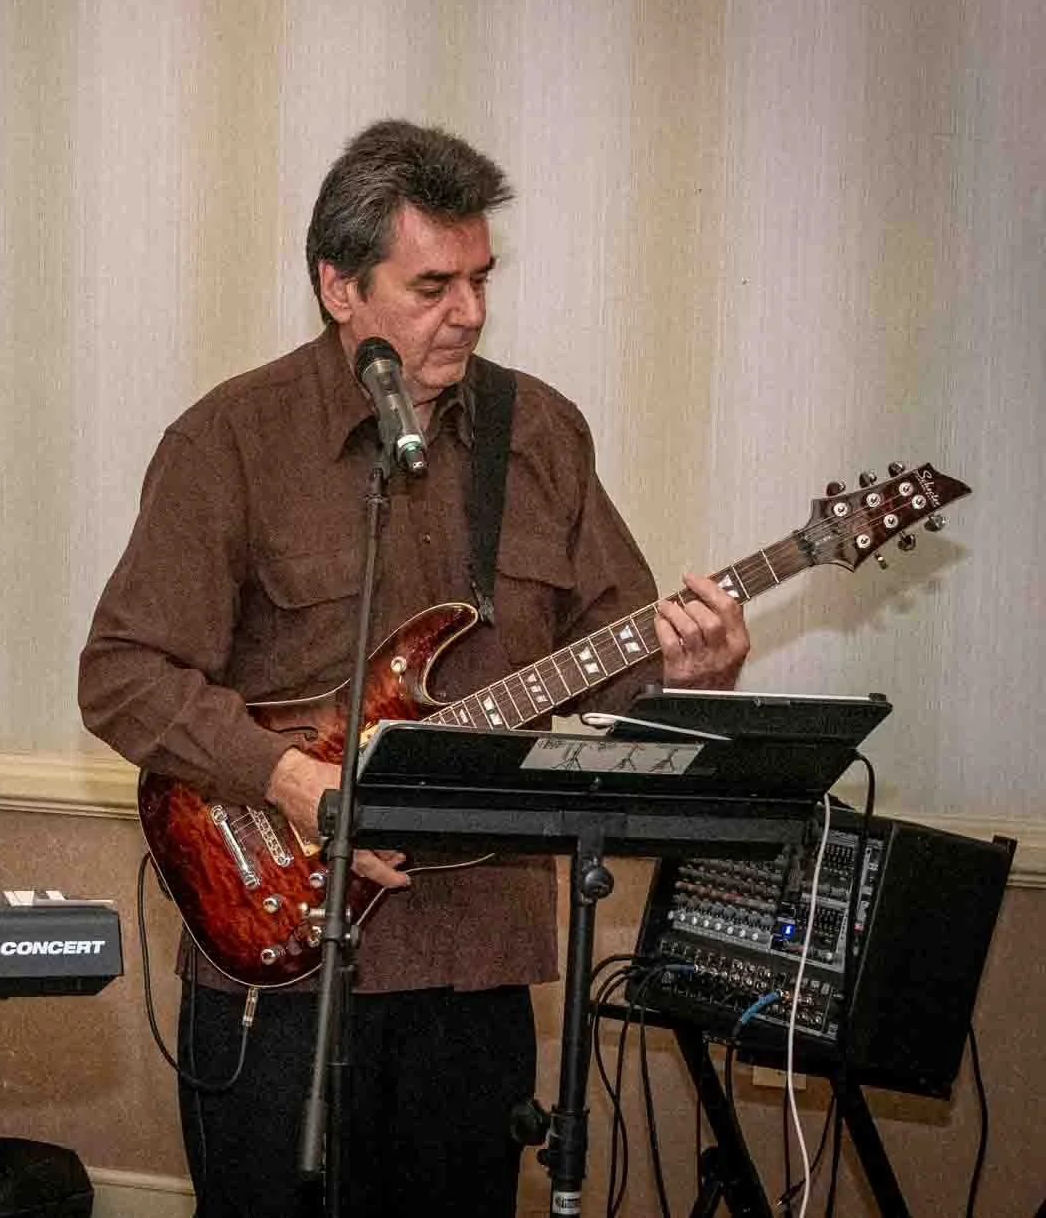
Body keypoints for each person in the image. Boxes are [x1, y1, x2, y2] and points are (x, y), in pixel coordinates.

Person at [78, 119, 749, 1215]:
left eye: (480, 279)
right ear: (337, 286)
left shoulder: (539, 434)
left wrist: (693, 667)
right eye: (431, 284)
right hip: (277, 958)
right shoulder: (230, 440)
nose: (469, 312)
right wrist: (287, 778)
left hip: (475, 959)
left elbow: (616, 661)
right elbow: (121, 670)